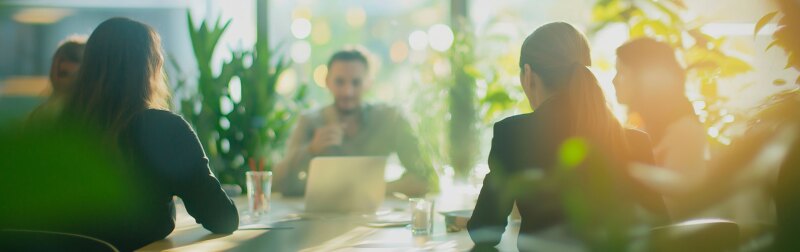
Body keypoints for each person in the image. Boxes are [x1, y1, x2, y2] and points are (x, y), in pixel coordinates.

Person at [10, 17, 239, 251]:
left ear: (88, 67)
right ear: (150, 68)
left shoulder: (51, 128)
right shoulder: (166, 129)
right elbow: (222, 218)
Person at [467, 22, 667, 251]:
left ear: (529, 75)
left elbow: (483, 232)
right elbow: (660, 231)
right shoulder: (635, 141)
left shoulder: (512, 134)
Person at [274, 49, 437, 197]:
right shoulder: (310, 121)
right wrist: (311, 149)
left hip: (377, 218)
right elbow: (277, 184)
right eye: (340, 82)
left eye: (356, 82)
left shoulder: (390, 118)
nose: (347, 91)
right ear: (327, 81)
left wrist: (376, 188)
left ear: (369, 83)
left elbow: (427, 178)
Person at [613, 38, 708, 220]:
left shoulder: (685, 129)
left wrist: (628, 171)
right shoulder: (639, 124)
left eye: (622, 73)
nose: (614, 81)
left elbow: (681, 197)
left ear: (644, 80)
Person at [28, 36, 87, 122]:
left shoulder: (83, 113)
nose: (58, 66)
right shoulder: (41, 113)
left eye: (63, 73)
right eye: (55, 61)